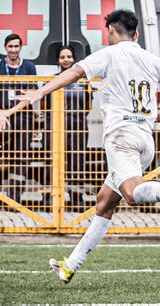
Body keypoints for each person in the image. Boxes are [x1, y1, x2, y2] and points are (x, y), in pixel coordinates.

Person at [16, 9, 160, 284]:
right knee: (105, 202)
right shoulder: (150, 58)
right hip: (145, 140)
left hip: (121, 138)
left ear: (110, 33)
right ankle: (70, 265)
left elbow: (74, 72)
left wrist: (39, 92)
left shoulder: (109, 54)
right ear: (137, 34)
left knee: (131, 195)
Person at [0, 33, 38, 203]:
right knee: (8, 153)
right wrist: (0, 114)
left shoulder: (29, 67)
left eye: (16, 46)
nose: (13, 50)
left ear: (21, 47)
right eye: (10, 46)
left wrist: (8, 113)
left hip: (24, 118)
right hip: (1, 118)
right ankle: (4, 170)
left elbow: (30, 96)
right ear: (5, 47)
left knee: (21, 156)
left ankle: (14, 197)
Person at [53, 46, 92, 211]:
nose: (66, 60)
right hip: (56, 127)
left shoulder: (82, 80)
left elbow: (88, 105)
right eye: (62, 57)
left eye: (69, 56)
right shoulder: (53, 79)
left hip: (78, 126)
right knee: (54, 162)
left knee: (77, 162)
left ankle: (77, 198)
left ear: (74, 59)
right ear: (58, 60)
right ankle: (53, 199)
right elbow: (45, 105)